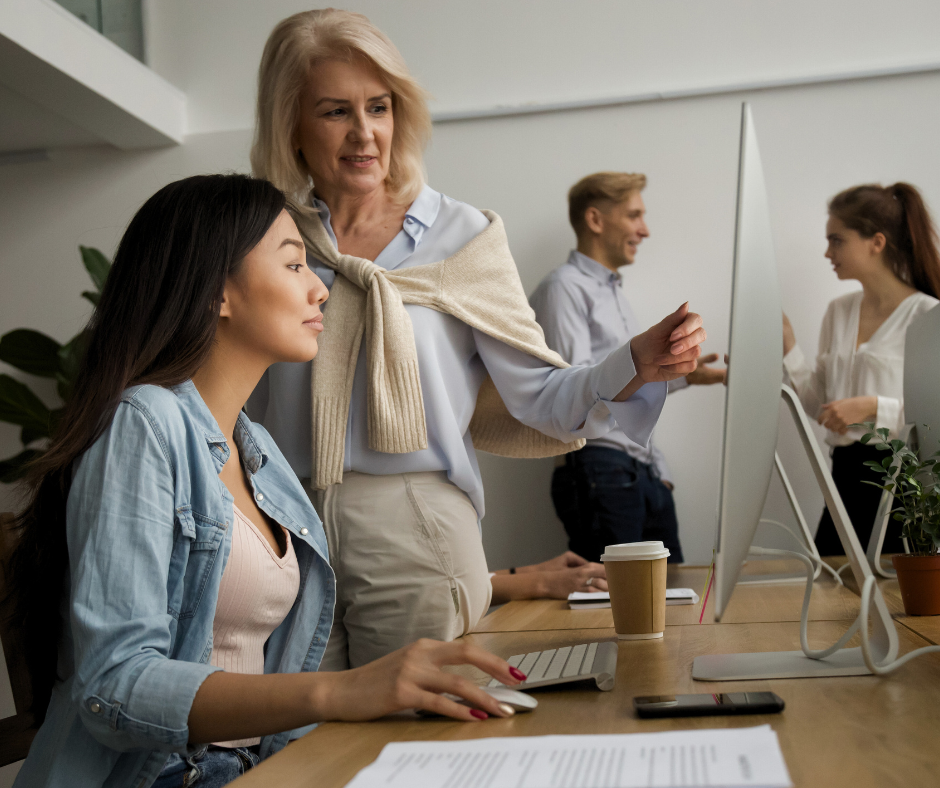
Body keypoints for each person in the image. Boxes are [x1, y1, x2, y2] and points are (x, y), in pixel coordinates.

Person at [5, 175, 527, 788]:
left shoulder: (259, 453)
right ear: (216, 292)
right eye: (294, 264)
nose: (319, 289)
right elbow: (117, 682)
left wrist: (508, 581)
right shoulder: (141, 424)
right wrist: (340, 691)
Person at [248, 9, 708, 670]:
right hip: (285, 531)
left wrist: (631, 362)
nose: (364, 134)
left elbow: (542, 396)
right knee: (299, 749)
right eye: (334, 112)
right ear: (289, 119)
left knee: (409, 756)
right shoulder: (263, 235)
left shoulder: (460, 235)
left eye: (378, 107)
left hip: (414, 524)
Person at [530, 172, 726, 564]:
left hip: (639, 473)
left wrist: (686, 377)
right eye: (635, 215)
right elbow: (578, 391)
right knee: (614, 612)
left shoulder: (612, 294)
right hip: (601, 469)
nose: (645, 229)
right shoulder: (564, 288)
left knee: (668, 603)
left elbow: (621, 383)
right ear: (596, 220)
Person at [783, 182, 940, 556]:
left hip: (903, 488)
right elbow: (820, 406)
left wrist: (873, 408)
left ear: (877, 242)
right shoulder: (839, 312)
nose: (827, 251)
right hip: (843, 478)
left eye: (837, 240)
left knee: (897, 602)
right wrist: (788, 345)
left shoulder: (927, 316)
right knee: (830, 586)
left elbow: (934, 421)